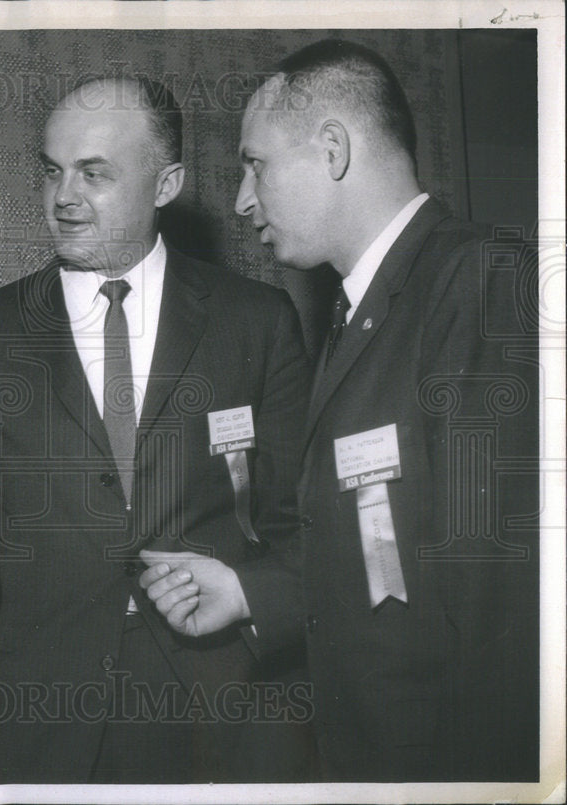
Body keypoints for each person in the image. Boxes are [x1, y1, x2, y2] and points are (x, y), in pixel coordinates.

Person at [0, 76, 315, 784]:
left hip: (220, 710)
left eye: (94, 173)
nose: (64, 197)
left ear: (166, 184)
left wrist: (251, 594)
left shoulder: (257, 321)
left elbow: (302, 518)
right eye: (53, 171)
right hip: (35, 721)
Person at [140, 39, 539, 781]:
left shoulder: (479, 280)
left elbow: (499, 597)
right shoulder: (359, 313)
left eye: (256, 164)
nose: (241, 200)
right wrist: (247, 590)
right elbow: (383, 550)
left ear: (331, 149)